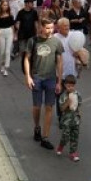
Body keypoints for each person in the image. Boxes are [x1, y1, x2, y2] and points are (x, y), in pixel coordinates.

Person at [23, 18, 63, 150]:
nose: (50, 30)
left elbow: (59, 62)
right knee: (37, 107)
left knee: (49, 107)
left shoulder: (56, 42)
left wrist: (59, 81)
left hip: (51, 78)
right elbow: (27, 59)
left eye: (52, 28)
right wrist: (28, 77)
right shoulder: (33, 41)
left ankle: (45, 137)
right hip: (37, 78)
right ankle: (37, 127)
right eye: (47, 28)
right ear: (41, 27)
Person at [56, 74, 81, 162]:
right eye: (68, 86)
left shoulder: (77, 94)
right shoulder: (63, 96)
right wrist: (68, 101)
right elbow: (62, 108)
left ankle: (73, 153)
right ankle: (61, 146)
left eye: (72, 86)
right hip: (67, 120)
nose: (70, 87)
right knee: (65, 136)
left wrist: (79, 115)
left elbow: (79, 104)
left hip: (76, 120)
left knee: (75, 136)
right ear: (65, 85)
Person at [14, 0, 40, 69]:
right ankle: (24, 63)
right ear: (27, 4)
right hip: (22, 35)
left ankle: (29, 63)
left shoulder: (34, 12)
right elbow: (17, 22)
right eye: (32, 3)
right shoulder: (21, 12)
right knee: (22, 50)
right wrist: (17, 30)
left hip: (32, 34)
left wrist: (37, 32)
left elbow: (36, 23)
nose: (33, 4)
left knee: (31, 50)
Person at [0, 0, 15, 76]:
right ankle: (2, 65)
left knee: (7, 51)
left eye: (6, 5)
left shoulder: (10, 15)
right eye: (4, 5)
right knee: (2, 52)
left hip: (9, 32)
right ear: (1, 6)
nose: (5, 6)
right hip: (1, 32)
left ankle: (6, 67)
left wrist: (14, 35)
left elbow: (12, 25)